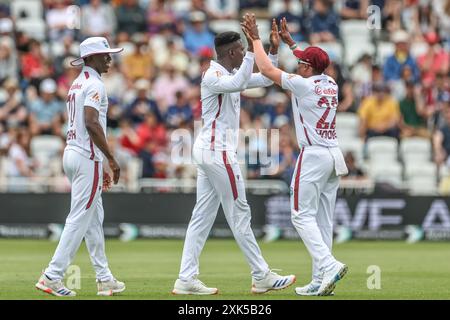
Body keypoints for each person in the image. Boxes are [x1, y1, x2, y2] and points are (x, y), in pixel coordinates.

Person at [172, 25, 296, 295]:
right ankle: (261, 275)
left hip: (211, 151)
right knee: (239, 213)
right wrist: (254, 45)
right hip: (216, 152)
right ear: (231, 52)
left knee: (202, 217)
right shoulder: (213, 75)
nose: (244, 53)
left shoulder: (228, 72)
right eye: (240, 49)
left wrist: (272, 49)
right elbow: (239, 83)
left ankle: (185, 279)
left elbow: (263, 80)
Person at [242, 14, 348, 296]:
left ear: (308, 68)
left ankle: (328, 264)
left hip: (312, 154)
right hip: (333, 155)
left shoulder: (304, 84)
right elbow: (309, 60)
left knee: (300, 215)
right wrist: (291, 43)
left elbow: (265, 69)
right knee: (322, 220)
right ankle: (320, 280)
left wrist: (255, 38)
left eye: (301, 63)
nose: (298, 65)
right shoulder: (330, 83)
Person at [36, 37, 125, 297]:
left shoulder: (77, 83)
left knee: (93, 219)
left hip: (73, 154)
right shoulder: (95, 83)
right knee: (79, 218)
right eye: (104, 55)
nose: (109, 59)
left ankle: (104, 278)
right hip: (87, 157)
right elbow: (91, 122)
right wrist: (110, 158)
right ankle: (52, 275)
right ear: (91, 58)